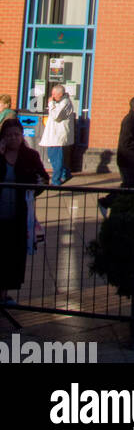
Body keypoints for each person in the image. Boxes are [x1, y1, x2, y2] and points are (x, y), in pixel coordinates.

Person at [0, 116, 48, 301]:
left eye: (16, 134)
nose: (13, 138)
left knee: (12, 255)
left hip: (19, 214)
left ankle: (4, 293)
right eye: (8, 135)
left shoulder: (30, 156)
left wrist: (36, 187)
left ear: (22, 135)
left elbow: (43, 179)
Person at [38, 84, 75, 186]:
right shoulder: (60, 102)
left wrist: (51, 104)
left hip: (57, 137)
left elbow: (56, 116)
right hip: (53, 136)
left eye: (54, 94)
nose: (52, 96)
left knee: (56, 159)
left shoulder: (65, 102)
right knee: (54, 156)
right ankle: (65, 173)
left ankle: (56, 180)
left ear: (61, 94)